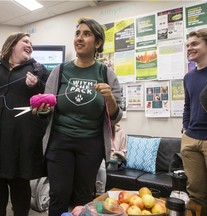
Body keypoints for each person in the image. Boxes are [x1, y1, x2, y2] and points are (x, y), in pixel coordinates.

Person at [34, 18, 123, 216]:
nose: (79, 38)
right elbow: (46, 112)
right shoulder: (60, 70)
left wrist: (110, 99)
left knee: (83, 198)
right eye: (77, 33)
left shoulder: (107, 74)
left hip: (91, 144)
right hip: (60, 141)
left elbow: (116, 118)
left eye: (86, 34)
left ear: (98, 43)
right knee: (58, 195)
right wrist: (41, 109)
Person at [0, 33, 50, 216]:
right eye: (25, 41)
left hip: (20, 138)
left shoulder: (38, 69)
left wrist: (36, 85)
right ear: (12, 44)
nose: (30, 45)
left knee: (19, 183)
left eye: (31, 43)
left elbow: (48, 99)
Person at [182, 28, 207, 203]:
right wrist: (185, 129)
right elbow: (188, 105)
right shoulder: (188, 77)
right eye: (188, 45)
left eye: (194, 44)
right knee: (196, 195)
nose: (189, 48)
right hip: (190, 139)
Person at [95, 124, 127, 196]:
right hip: (104, 159)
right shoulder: (101, 131)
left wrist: (115, 153)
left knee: (100, 164)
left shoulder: (121, 132)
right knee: (98, 162)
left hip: (116, 162)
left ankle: (100, 193)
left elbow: (124, 152)